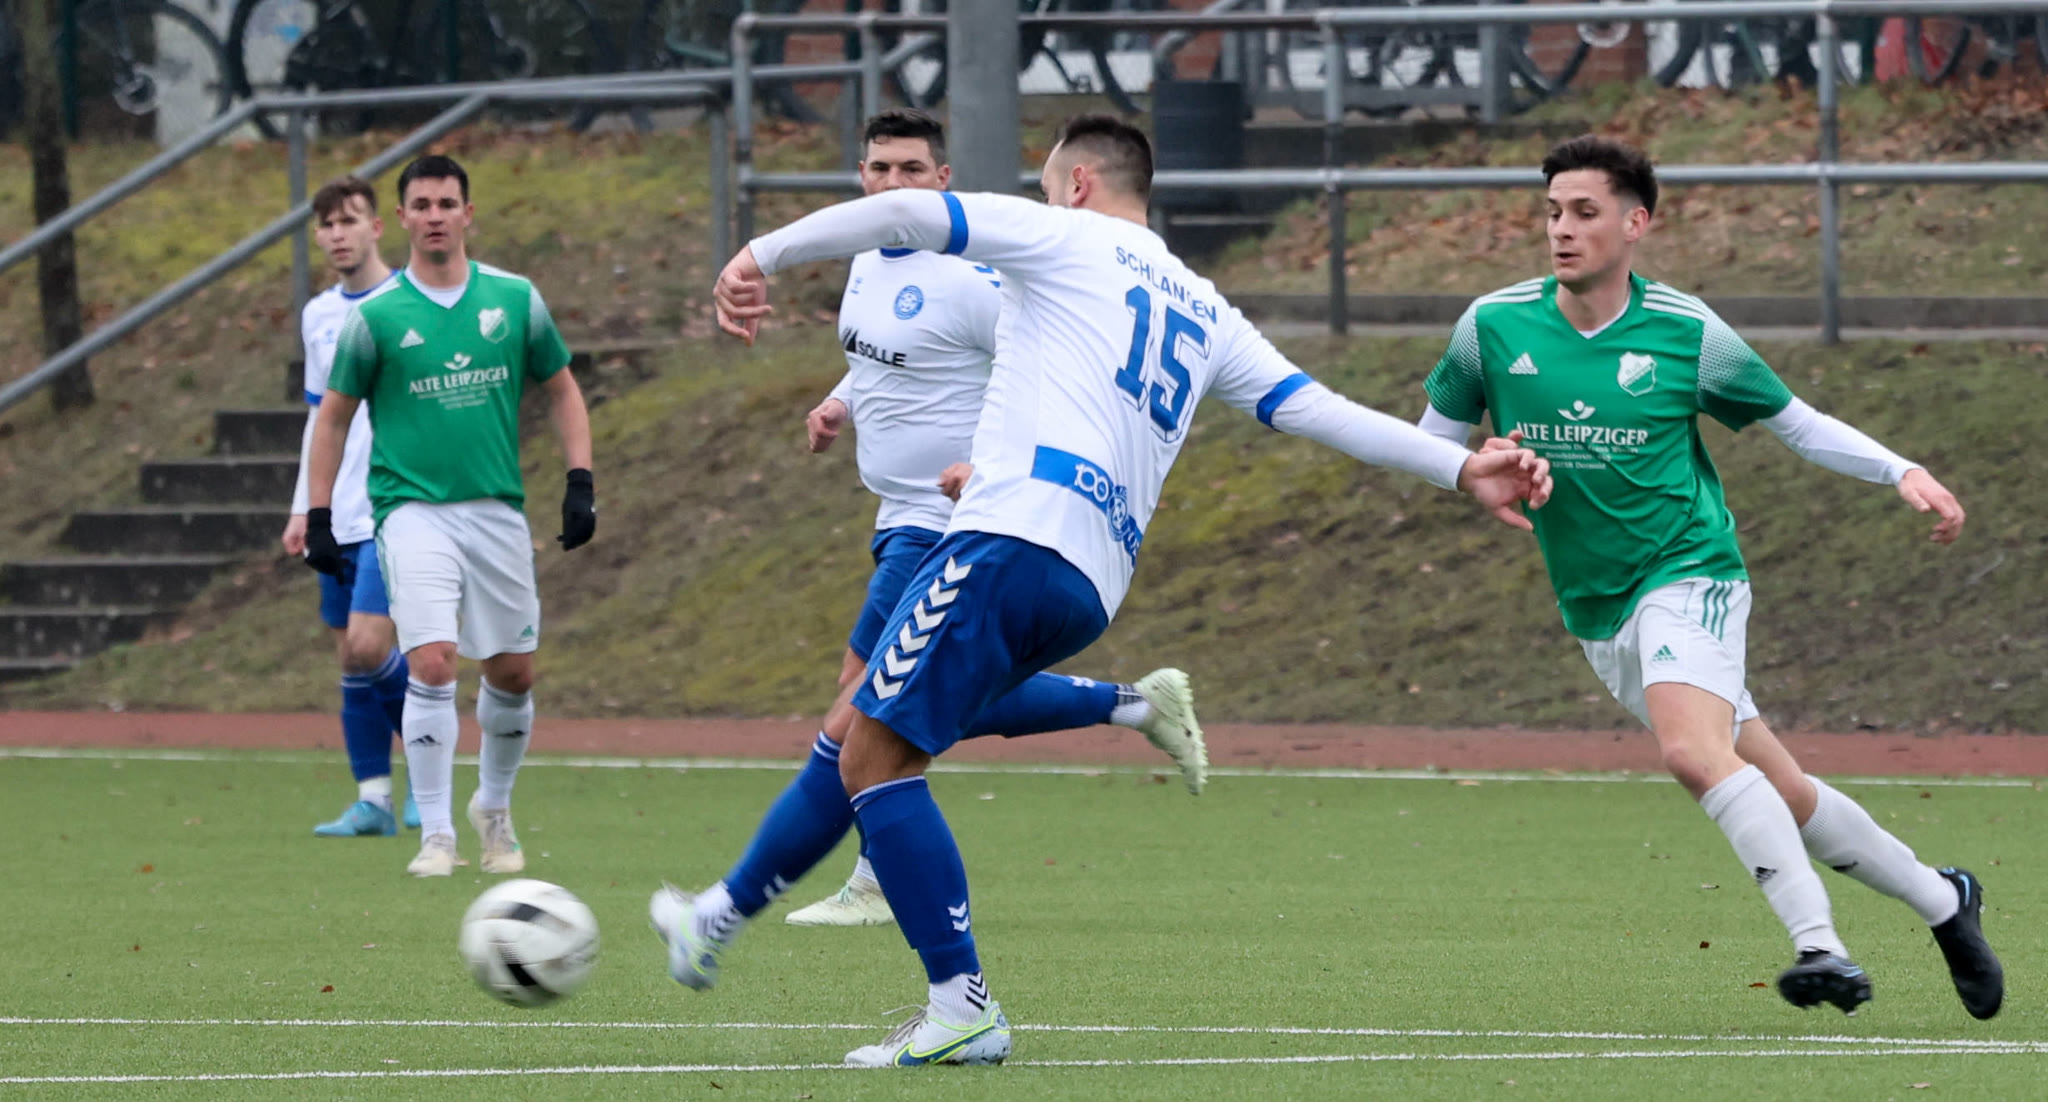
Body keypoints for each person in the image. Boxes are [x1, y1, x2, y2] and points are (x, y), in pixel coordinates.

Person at [660, 114, 1551, 1068]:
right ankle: (721, 914)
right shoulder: (1204, 305)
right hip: (1086, 582)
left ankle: (961, 1006)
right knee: (856, 728)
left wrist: (757, 253)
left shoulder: (1062, 236)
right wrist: (1459, 467)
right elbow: (1316, 409)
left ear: (1078, 184)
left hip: (1011, 541)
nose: (1041, 203)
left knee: (874, 759)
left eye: (1047, 187)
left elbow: (910, 214)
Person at [1417, 135, 2000, 1019]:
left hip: (1691, 573)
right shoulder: (1491, 326)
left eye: (1584, 212)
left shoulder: (1686, 331)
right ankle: (1944, 900)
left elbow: (1796, 422)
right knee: (1784, 793)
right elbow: (1428, 444)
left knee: (1692, 754)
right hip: (1597, 605)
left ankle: (1820, 947)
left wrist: (1901, 470)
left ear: (1635, 223)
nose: (1562, 230)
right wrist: (1477, 468)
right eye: (1552, 212)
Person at [786, 107, 1209, 929]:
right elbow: (893, 355)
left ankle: (871, 881)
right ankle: (1131, 706)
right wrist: (841, 401)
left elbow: (1030, 362)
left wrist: (990, 464)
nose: (895, 183)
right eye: (881, 169)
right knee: (904, 696)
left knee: (866, 700)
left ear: (943, 180)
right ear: (861, 176)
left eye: (913, 170)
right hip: (897, 511)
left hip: (949, 518)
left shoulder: (972, 273)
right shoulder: (871, 260)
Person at [303, 155, 596, 879]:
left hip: (495, 509)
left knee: (514, 673)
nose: (435, 216)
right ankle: (436, 832)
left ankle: (492, 808)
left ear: (468, 213)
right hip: (410, 512)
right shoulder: (374, 318)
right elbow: (332, 418)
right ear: (401, 219)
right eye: (422, 204)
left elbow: (562, 389)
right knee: (432, 660)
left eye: (447, 203)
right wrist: (317, 513)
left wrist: (579, 480)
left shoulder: (515, 299)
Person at [282, 176, 416, 837]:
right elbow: (320, 420)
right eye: (327, 224)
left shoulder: (408, 301)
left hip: (393, 508)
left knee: (370, 647)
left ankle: (430, 776)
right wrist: (303, 508)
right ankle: (375, 800)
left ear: (376, 227)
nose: (338, 234)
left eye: (349, 220)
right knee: (350, 657)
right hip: (334, 512)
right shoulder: (318, 315)